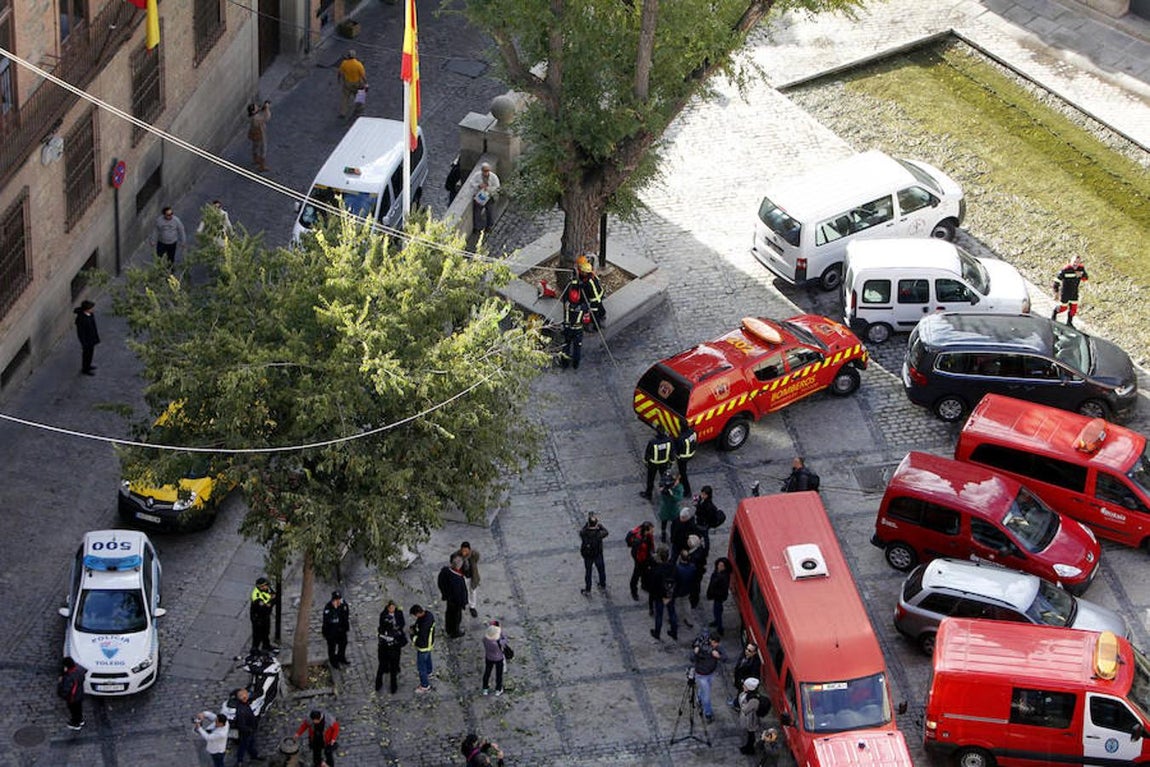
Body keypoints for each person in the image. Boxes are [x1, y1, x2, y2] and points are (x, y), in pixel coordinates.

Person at [692, 632, 725, 723]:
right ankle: (708, 713)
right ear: (711, 641)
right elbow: (691, 658)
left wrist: (718, 656)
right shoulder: (700, 647)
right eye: (715, 643)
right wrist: (695, 652)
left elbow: (725, 658)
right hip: (701, 675)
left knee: (704, 689)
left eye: (717, 643)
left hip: (710, 673)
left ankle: (699, 699)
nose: (716, 645)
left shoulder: (716, 648)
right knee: (706, 696)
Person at [374, 600, 406, 694]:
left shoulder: (383, 632)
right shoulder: (389, 631)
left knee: (388, 667)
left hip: (388, 649)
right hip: (389, 649)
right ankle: (389, 686)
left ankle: (388, 686)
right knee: (387, 668)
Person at [648, 546, 678, 641]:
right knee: (672, 613)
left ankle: (657, 633)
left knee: (659, 615)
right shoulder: (673, 567)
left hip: (660, 596)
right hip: (670, 593)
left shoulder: (657, 570)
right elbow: (678, 580)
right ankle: (674, 632)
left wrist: (654, 596)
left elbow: (653, 585)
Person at [1052, 254, 1089, 326]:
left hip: (1074, 292)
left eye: (1078, 262)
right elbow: (1056, 281)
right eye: (1074, 262)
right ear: (1071, 262)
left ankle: (1069, 322)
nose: (1076, 264)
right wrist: (1056, 292)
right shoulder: (1065, 269)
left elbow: (1086, 278)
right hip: (1065, 292)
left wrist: (1082, 275)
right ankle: (1055, 313)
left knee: (1073, 308)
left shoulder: (1081, 269)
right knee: (1063, 308)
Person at [559, 285, 590, 370]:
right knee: (577, 348)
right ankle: (575, 364)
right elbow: (586, 320)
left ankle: (564, 363)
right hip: (578, 331)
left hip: (568, 329)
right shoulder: (583, 308)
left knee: (566, 346)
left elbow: (565, 296)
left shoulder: (567, 305)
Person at [437, 555, 469, 638]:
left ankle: (448, 629)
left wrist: (445, 595)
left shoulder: (445, 571)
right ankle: (455, 632)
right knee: (456, 618)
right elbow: (459, 594)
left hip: (449, 599)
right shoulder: (457, 579)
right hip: (456, 602)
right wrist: (463, 603)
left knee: (449, 614)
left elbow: (440, 583)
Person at [579, 513, 609, 595]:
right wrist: (600, 526)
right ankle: (602, 584)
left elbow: (581, 531)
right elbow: (606, 532)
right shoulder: (599, 534)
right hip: (597, 555)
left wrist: (587, 525)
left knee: (588, 573)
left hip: (588, 556)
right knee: (601, 570)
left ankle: (588, 589)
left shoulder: (584, 533)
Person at [737, 678, 770, 755]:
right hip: (751, 717)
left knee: (751, 734)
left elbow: (745, 710)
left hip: (751, 719)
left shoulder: (753, 700)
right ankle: (749, 747)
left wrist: (742, 703)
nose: (743, 686)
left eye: (745, 686)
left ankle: (750, 749)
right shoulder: (752, 695)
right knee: (750, 734)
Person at [640, 426, 674, 500]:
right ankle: (666, 494)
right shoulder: (669, 440)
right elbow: (671, 452)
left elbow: (648, 453)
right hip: (664, 463)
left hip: (653, 464)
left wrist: (646, 462)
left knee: (650, 479)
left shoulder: (652, 442)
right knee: (664, 479)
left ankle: (649, 494)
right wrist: (671, 462)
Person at [409, 604, 436, 693]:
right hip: (429, 644)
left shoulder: (424, 625)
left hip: (423, 647)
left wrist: (412, 636)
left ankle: (425, 686)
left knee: (421, 667)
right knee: (428, 659)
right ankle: (429, 673)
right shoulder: (429, 615)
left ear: (417, 614)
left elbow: (420, 638)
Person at [627, 521, 656, 602]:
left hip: (647, 556)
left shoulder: (648, 535)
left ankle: (644, 585)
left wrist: (652, 551)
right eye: (651, 529)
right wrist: (638, 560)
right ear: (646, 530)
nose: (653, 531)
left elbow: (651, 544)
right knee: (636, 576)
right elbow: (634, 552)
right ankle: (634, 592)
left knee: (646, 572)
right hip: (640, 560)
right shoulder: (638, 540)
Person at [573, 256, 605, 328]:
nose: (580, 271)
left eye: (581, 271)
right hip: (599, 295)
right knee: (600, 307)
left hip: (595, 299)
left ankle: (597, 326)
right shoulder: (590, 275)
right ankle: (602, 314)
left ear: (585, 273)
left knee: (594, 314)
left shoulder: (589, 282)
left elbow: (594, 292)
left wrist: (580, 285)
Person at [249, 576, 277, 655]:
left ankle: (266, 646)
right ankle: (254, 649)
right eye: (262, 586)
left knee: (266, 631)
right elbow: (265, 608)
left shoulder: (268, 589)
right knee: (257, 634)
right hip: (257, 617)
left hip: (265, 616)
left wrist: (270, 603)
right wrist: (270, 602)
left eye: (266, 585)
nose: (265, 587)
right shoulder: (256, 596)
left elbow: (275, 597)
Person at [232, 687, 260, 766]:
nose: (245, 695)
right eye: (242, 695)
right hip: (246, 732)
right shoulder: (241, 710)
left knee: (250, 744)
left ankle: (253, 755)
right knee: (243, 745)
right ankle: (239, 761)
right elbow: (242, 725)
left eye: (245, 693)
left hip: (250, 729)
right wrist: (250, 730)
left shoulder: (245, 704)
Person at [321, 591, 350, 667]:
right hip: (331, 632)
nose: (339, 602)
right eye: (337, 600)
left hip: (341, 630)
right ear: (333, 600)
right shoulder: (328, 608)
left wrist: (345, 627)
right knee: (332, 648)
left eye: (339, 600)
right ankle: (333, 662)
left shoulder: (343, 605)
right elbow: (327, 621)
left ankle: (341, 657)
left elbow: (346, 614)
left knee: (343, 644)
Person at [469, 162, 501, 233]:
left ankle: (489, 226)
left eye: (487, 170)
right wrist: (478, 185)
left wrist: (488, 188)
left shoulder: (493, 177)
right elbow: (471, 183)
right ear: (482, 170)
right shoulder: (477, 175)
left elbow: (497, 187)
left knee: (490, 212)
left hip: (489, 196)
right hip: (480, 196)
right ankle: (477, 227)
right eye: (484, 171)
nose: (486, 172)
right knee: (477, 212)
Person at [57, 656, 87, 730]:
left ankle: (75, 723)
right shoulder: (79, 669)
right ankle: (80, 720)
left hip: (72, 697)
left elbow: (65, 689)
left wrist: (60, 684)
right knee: (79, 708)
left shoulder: (69, 677)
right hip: (80, 693)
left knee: (73, 710)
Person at [729, 642, 761, 708]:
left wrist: (744, 682)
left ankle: (737, 705)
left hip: (745, 682)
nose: (746, 651)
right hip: (739, 678)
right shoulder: (744, 654)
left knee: (742, 694)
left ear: (754, 653)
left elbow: (754, 675)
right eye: (746, 649)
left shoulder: (756, 662)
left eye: (749, 651)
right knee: (739, 692)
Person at [337, 50, 368, 118]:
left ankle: (343, 112)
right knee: (359, 95)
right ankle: (359, 108)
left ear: (348, 56)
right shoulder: (358, 64)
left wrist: (338, 80)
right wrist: (366, 83)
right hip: (357, 83)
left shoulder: (344, 63)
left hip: (347, 83)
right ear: (355, 56)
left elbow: (340, 72)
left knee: (345, 98)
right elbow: (363, 76)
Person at [455, 541, 482, 618]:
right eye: (463, 550)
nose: (464, 552)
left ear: (469, 550)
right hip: (462, 576)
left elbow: (476, 559)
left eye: (466, 551)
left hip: (472, 576)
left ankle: (472, 606)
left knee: (472, 591)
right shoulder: (457, 555)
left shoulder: (474, 554)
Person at [706, 557, 732, 637]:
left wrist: (713, 593)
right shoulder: (718, 573)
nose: (719, 567)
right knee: (717, 610)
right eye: (719, 565)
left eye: (722, 565)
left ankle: (720, 628)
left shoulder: (724, 577)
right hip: (717, 596)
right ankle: (717, 622)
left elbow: (722, 590)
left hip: (718, 597)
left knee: (717, 612)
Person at [73, 300, 99, 376]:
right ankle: (85, 369)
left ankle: (88, 365)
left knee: (90, 353)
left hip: (91, 337)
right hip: (86, 340)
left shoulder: (90, 314)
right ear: (86, 309)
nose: (92, 309)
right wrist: (84, 343)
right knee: (86, 355)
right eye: (91, 308)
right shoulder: (81, 319)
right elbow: (81, 333)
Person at [481, 621, 508, 696]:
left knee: (487, 673)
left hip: (489, 658)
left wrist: (490, 627)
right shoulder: (499, 642)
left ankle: (485, 688)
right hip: (499, 659)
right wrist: (500, 630)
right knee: (499, 675)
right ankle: (498, 689)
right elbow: (505, 639)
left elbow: (490, 632)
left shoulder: (485, 640)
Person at [657, 471, 684, 542]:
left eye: (677, 480)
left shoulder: (679, 487)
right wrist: (664, 490)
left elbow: (679, 498)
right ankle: (663, 534)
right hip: (665, 507)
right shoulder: (666, 484)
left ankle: (673, 536)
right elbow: (663, 495)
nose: (676, 482)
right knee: (664, 521)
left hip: (673, 508)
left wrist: (672, 495)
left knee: (675, 523)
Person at [693, 485, 721, 552]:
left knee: (704, 536)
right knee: (703, 535)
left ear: (708, 495)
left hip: (703, 523)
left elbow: (700, 513)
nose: (702, 495)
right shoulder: (703, 500)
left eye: (704, 494)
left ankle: (705, 549)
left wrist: (697, 506)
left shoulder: (708, 506)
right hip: (701, 522)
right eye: (702, 493)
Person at [246, 101, 271, 171]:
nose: (257, 107)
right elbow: (267, 118)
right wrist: (267, 109)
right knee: (263, 148)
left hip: (254, 133)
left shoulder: (253, 117)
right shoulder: (256, 118)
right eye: (256, 107)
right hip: (260, 134)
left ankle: (255, 158)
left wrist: (263, 108)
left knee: (255, 146)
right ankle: (262, 166)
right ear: (253, 111)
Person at [674, 424, 698, 496]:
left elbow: (677, 449)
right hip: (691, 453)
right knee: (683, 470)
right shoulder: (693, 432)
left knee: (683, 473)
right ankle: (681, 480)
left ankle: (687, 491)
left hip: (682, 457)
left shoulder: (681, 438)